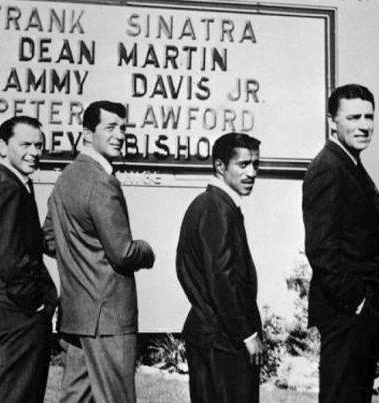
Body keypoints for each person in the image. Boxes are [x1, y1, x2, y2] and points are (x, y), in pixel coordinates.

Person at [43, 100, 155, 403]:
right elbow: (123, 253)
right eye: (110, 127)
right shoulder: (102, 181)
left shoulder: (65, 178)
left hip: (77, 316)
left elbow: (49, 240)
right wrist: (147, 251)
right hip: (109, 319)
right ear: (87, 133)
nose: (120, 134)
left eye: (123, 128)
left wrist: (82, 258)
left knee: (75, 398)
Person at [302, 84, 379, 403]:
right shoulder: (328, 168)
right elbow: (321, 248)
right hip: (345, 312)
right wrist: (355, 301)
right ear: (331, 121)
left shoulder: (350, 165)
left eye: (369, 116)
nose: (364, 125)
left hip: (359, 315)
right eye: (353, 117)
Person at [0, 115, 57, 403]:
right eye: (25, 144)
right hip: (16, 312)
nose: (34, 152)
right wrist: (38, 302)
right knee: (18, 395)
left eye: (39, 145)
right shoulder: (9, 187)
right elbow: (11, 257)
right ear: (3, 146)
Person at [176, 132, 266, 403]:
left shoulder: (212, 205)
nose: (251, 172)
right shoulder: (216, 208)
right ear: (219, 166)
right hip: (222, 341)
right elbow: (222, 278)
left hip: (213, 335)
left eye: (255, 165)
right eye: (243, 164)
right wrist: (247, 334)